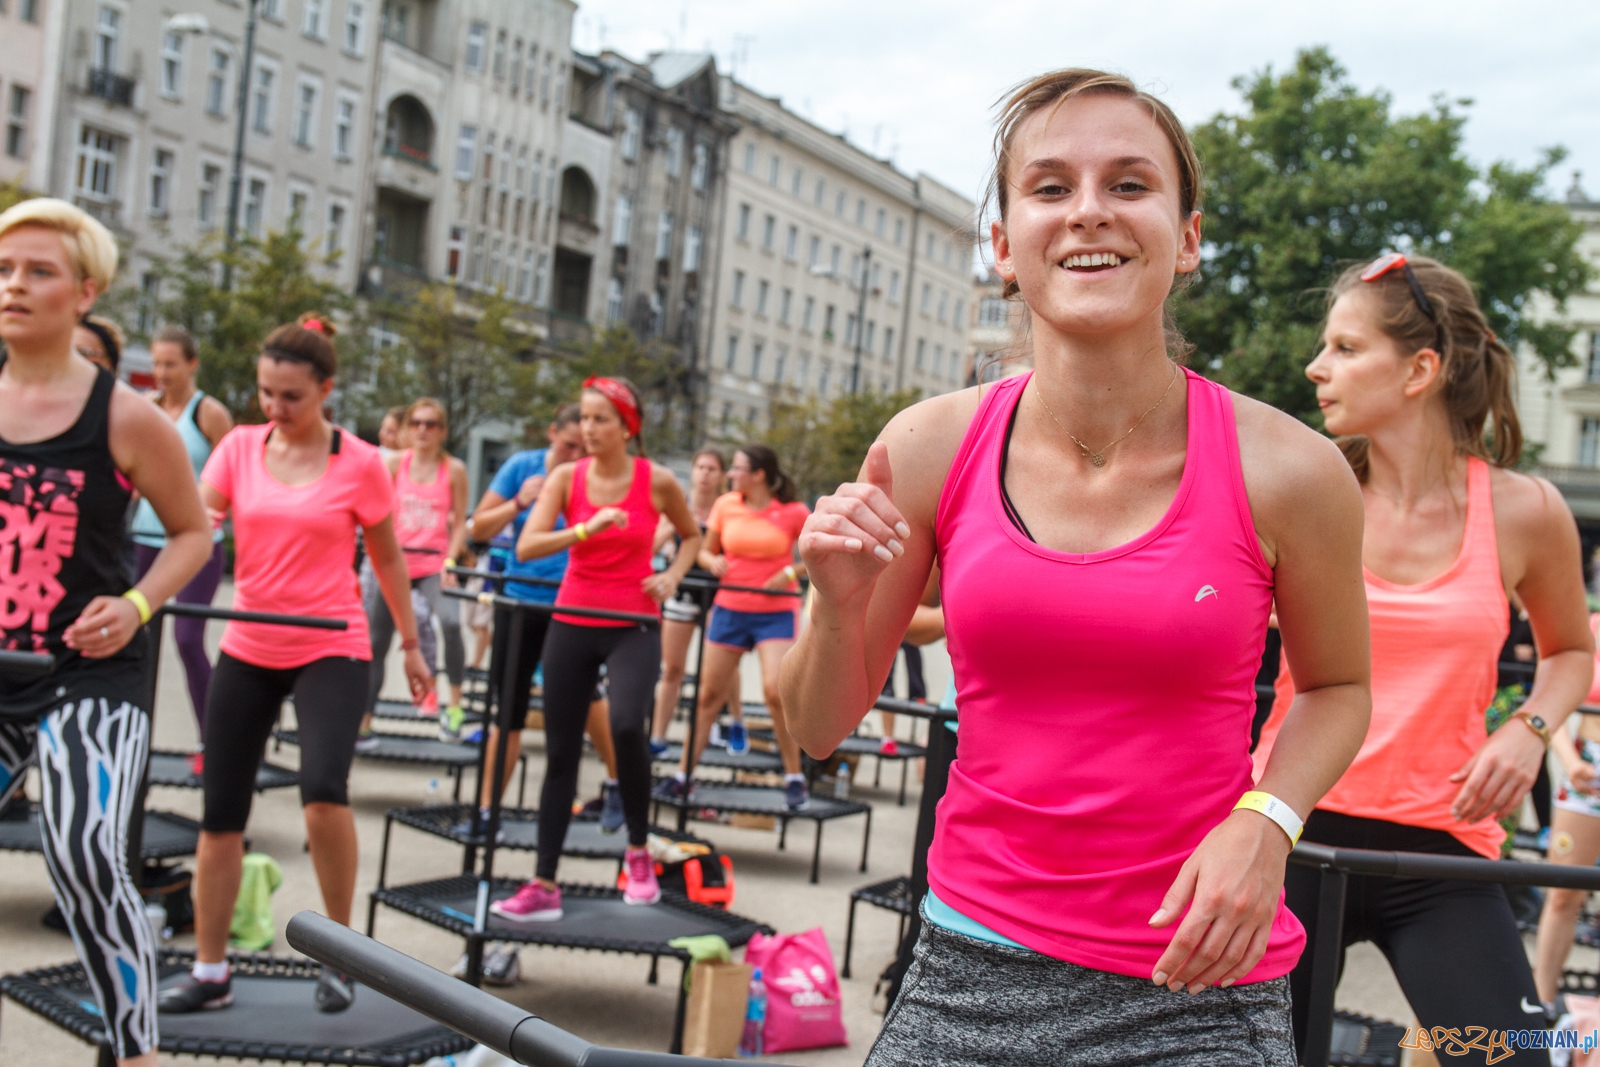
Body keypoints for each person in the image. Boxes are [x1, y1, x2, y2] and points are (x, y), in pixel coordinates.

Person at [780, 69, 1372, 1065]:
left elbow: (1340, 684)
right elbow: (816, 723)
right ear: (1005, 247)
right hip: (967, 967)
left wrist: (1266, 821)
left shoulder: (1291, 469)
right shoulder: (927, 447)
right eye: (1050, 186)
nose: (1089, 209)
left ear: (1185, 238)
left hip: (1198, 984)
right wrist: (835, 608)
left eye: (1129, 183)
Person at [1251, 253, 1593, 1058]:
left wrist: (1530, 728)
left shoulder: (1527, 511)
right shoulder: (1303, 488)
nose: (1316, 366)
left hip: (1442, 848)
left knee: (1513, 1050)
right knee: (1259, 1055)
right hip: (1291, 829)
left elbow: (1572, 649)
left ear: (1421, 369)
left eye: (1343, 347)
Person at [158, 313, 431, 1015]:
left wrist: (410, 643)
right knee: (220, 814)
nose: (274, 409)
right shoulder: (240, 448)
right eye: (265, 394)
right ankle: (211, 969)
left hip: (330, 642)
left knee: (321, 789)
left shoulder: (361, 461)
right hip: (250, 643)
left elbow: (390, 556)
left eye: (291, 397)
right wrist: (140, 598)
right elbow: (197, 530)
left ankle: (341, 956)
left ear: (326, 391)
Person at [0, 197, 213, 1067]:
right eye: (6, 270)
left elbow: (196, 534)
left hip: (85, 669)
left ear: (84, 292)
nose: (15, 285)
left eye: (38, 271)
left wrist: (135, 605)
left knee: (88, 852)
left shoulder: (125, 416)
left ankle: (135, 1051)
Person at [493, 376, 701, 921]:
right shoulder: (566, 478)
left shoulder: (656, 481)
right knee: (559, 753)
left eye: (600, 419)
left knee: (629, 725)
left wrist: (673, 575)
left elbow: (692, 534)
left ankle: (637, 851)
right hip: (573, 617)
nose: (588, 428)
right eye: (584, 418)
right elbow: (527, 544)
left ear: (627, 427)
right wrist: (584, 530)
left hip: (632, 620)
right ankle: (543, 883)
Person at [656, 444, 811, 808]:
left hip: (776, 611)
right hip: (730, 608)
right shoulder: (726, 506)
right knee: (709, 696)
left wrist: (790, 571)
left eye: (737, 468)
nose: (730, 474)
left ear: (758, 474)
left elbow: (819, 552)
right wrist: (712, 562)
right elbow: (705, 549)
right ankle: (684, 776)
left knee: (776, 692)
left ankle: (794, 776)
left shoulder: (792, 512)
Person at [130, 325, 233, 753]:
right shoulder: (143, 408)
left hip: (196, 544)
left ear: (191, 364)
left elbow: (235, 474)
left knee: (189, 640)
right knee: (137, 644)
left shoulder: (208, 413)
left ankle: (214, 744)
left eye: (170, 363)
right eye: (156, 362)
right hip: (145, 538)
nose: (161, 371)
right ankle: (131, 742)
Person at [364, 397, 468, 721]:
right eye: (416, 423)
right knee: (375, 640)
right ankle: (364, 720)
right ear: (407, 429)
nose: (423, 430)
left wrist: (451, 561)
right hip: (395, 562)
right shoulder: (394, 463)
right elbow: (373, 515)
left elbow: (461, 521)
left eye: (431, 424)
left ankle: (454, 705)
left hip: (433, 564)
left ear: (442, 431)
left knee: (451, 623)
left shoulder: (454, 469)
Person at [1534, 613, 1600, 1006]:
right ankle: (1542, 1003)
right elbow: (1549, 701)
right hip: (1587, 767)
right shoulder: (1587, 627)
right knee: (1563, 893)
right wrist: (1570, 761)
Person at [650, 447, 726, 755]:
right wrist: (667, 533)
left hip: (717, 593)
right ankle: (657, 735)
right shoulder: (677, 504)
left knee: (720, 668)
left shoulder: (727, 507)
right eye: (700, 467)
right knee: (672, 669)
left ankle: (722, 726)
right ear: (692, 471)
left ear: (721, 475)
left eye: (712, 468)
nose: (705, 473)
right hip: (682, 590)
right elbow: (652, 547)